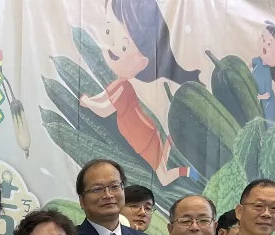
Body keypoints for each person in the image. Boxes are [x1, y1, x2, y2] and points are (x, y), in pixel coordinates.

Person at [79, 0, 198, 186]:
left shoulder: (122, 87)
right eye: (109, 32)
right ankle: (172, 142)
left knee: (163, 178)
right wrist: (90, 100)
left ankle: (185, 166)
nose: (112, 48)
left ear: (142, 62)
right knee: (161, 166)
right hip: (144, 129)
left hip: (140, 133)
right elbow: (104, 98)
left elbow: (104, 108)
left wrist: (87, 102)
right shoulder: (120, 84)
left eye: (124, 46)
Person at [252, 22, 275, 126]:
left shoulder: (267, 72)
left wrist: (260, 97)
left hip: (267, 104)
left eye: (270, 44)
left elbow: (268, 94)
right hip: (257, 100)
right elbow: (245, 64)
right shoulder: (257, 61)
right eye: (264, 40)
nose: (265, 45)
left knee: (268, 127)